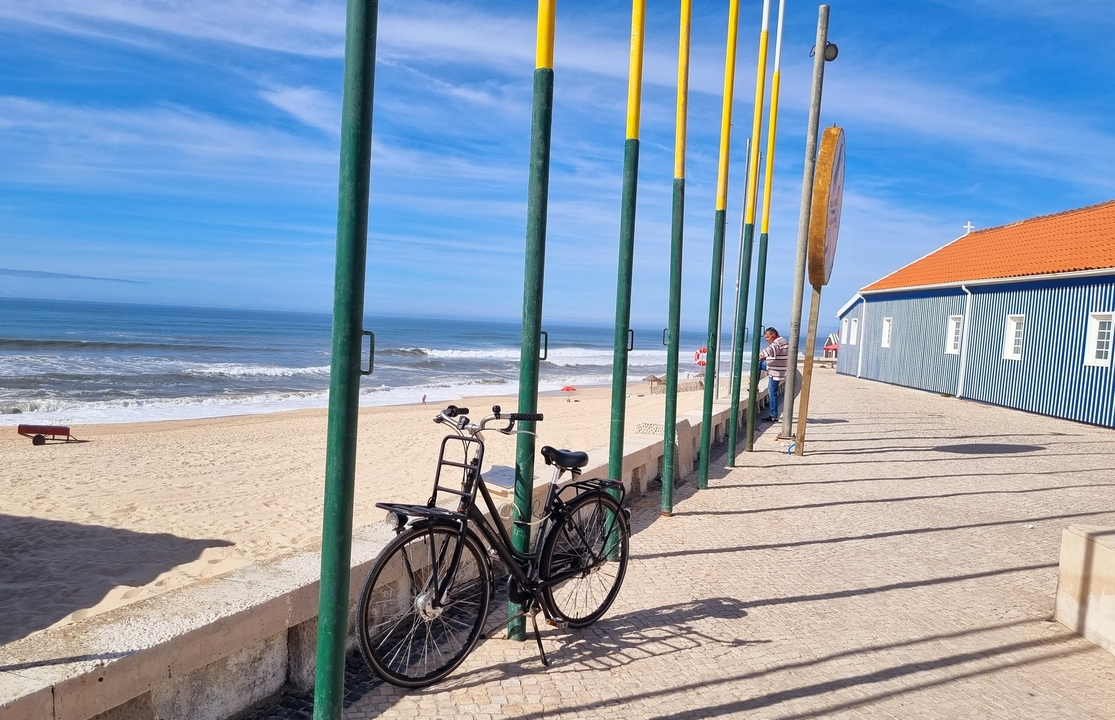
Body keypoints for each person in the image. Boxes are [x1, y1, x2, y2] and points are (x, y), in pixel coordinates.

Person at [757, 327, 789, 423]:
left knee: (772, 393)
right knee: (773, 392)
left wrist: (760, 355)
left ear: (773, 335)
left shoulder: (777, 342)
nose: (767, 340)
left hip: (775, 369)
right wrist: (765, 357)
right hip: (776, 367)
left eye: (768, 337)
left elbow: (770, 350)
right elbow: (774, 353)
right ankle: (773, 414)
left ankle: (773, 415)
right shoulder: (781, 340)